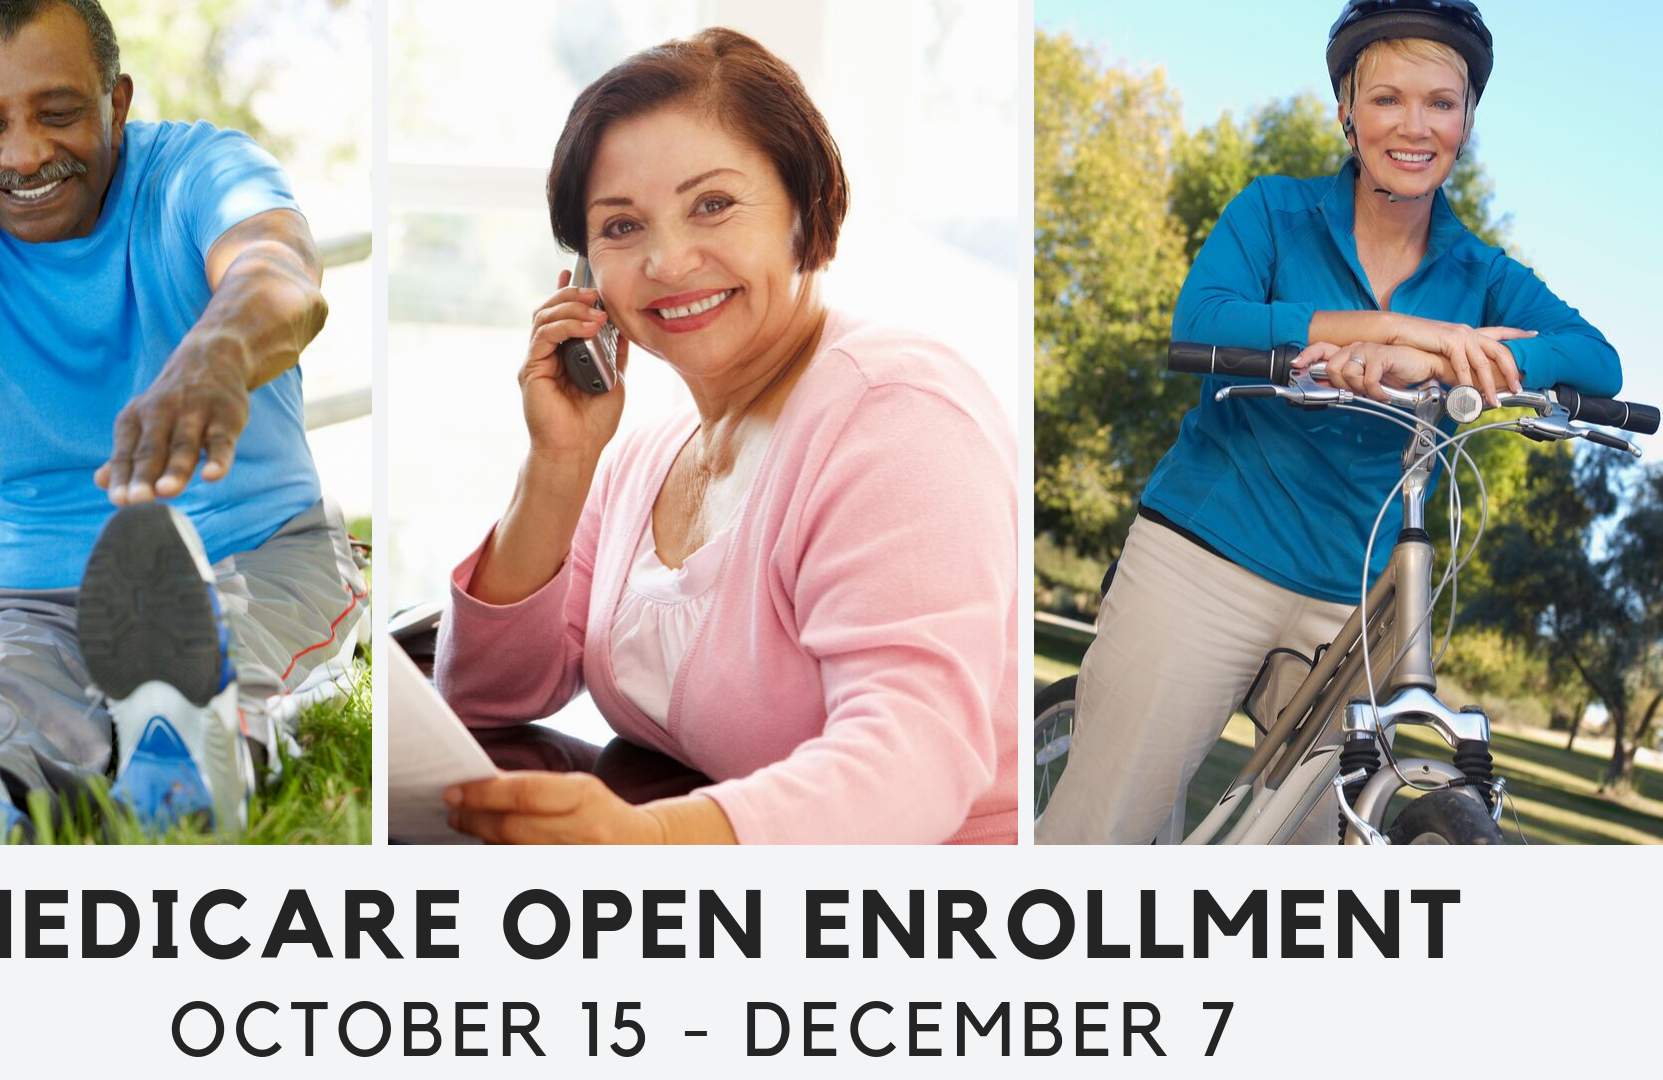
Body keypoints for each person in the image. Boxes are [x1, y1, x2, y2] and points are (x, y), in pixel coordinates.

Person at [0, 0, 369, 843]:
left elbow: (279, 274)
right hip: (15, 593)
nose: (25, 153)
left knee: (231, 653)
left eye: (57, 114)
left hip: (250, 552)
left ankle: (200, 743)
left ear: (116, 101)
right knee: (4, 693)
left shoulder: (201, 170)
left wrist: (216, 355)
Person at [1036, 0, 1621, 844]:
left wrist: (1454, 362)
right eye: (1386, 99)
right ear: (1347, 111)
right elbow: (1205, 321)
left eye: (1441, 102)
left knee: (1322, 869)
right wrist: (1395, 331)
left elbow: (1596, 359)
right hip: (1208, 559)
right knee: (1103, 839)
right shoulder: (1274, 213)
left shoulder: (1481, 273)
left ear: (1467, 121)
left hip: (1356, 605)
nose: (1414, 126)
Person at [433, 28, 1018, 845]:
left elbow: (915, 757)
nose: (669, 261)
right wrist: (559, 462)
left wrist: (660, 846)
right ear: (585, 273)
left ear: (804, 209)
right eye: (622, 227)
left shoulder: (897, 412)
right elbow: (481, 702)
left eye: (712, 204)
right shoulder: (646, 452)